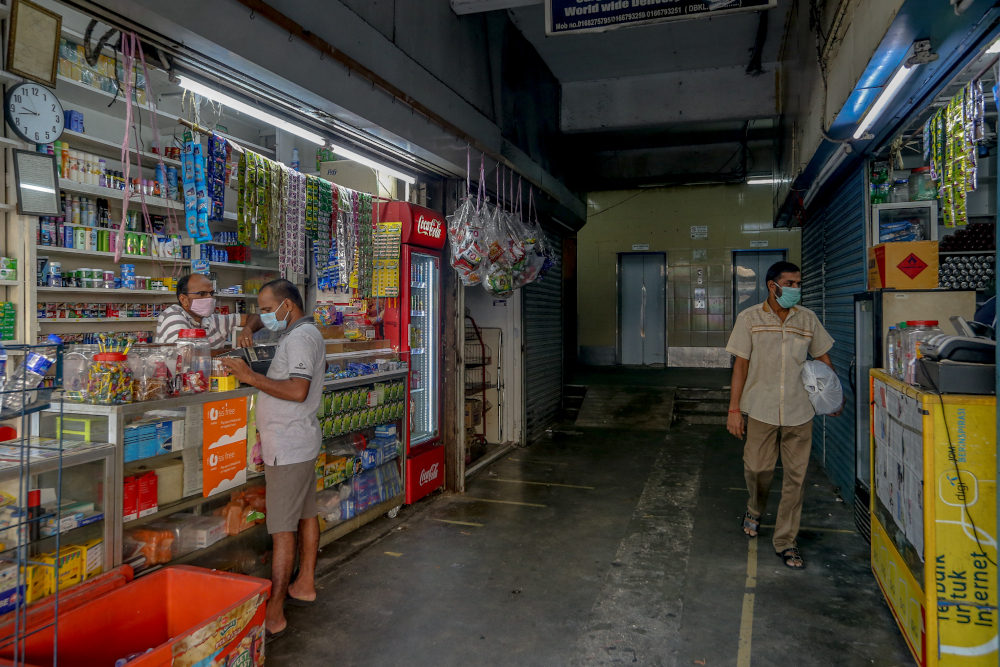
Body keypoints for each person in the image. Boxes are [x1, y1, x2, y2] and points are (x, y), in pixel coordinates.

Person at [220, 279, 326, 639]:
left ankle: (276, 613)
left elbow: (298, 390)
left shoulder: (298, 338)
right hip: (301, 442)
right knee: (307, 514)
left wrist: (249, 376)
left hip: (288, 447)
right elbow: (257, 320)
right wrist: (250, 326)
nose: (264, 315)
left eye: (268, 308)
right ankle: (304, 583)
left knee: (282, 531)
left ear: (287, 306)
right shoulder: (302, 328)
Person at [724, 261, 841, 570]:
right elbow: (740, 367)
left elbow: (822, 357)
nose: (795, 289)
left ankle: (786, 541)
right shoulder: (749, 319)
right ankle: (755, 508)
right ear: (771, 285)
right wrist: (734, 409)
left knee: (796, 479)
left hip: (799, 409)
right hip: (761, 408)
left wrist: (832, 396)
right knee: (757, 470)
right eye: (789, 283)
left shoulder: (808, 319)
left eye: (798, 283)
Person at [155, 273, 263, 349]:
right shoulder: (173, 315)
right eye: (202, 294)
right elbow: (186, 356)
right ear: (184, 299)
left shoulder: (212, 320)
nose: (210, 298)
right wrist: (228, 354)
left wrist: (248, 329)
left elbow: (256, 318)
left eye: (211, 294)